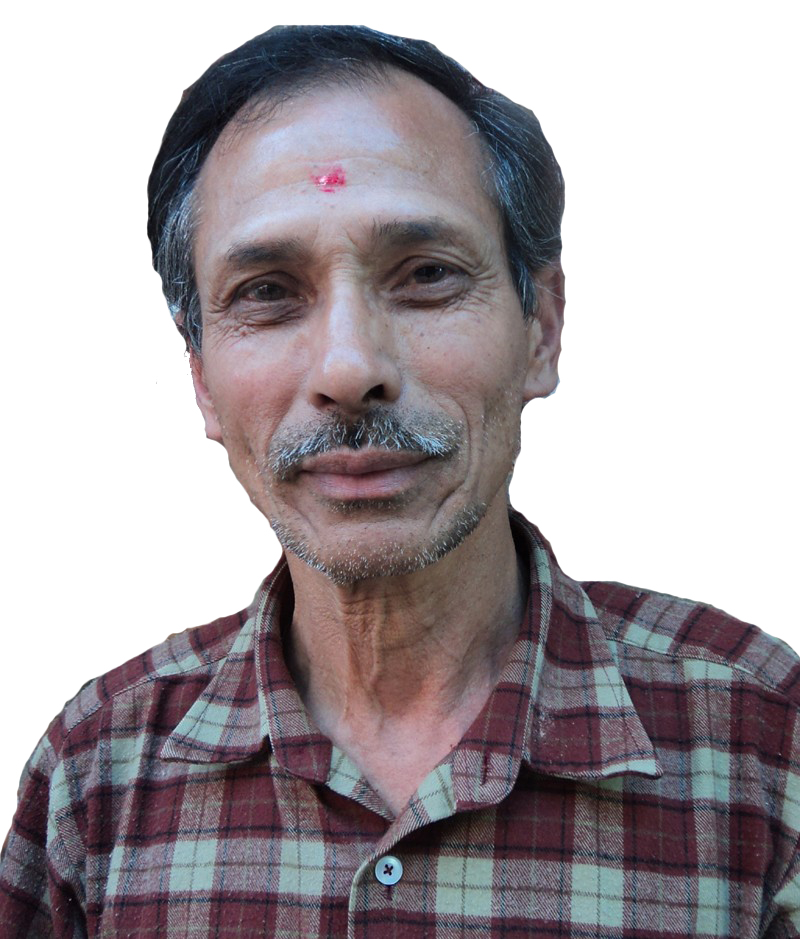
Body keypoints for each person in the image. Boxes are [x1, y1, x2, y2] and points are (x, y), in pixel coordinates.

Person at [1, 23, 798, 938]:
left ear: (542, 330)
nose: (350, 368)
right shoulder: (96, 780)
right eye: (267, 292)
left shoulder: (763, 744)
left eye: (426, 275)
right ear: (202, 381)